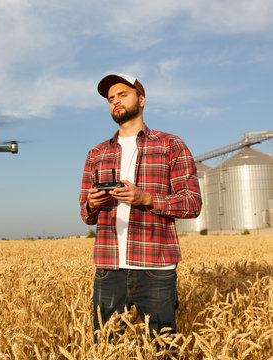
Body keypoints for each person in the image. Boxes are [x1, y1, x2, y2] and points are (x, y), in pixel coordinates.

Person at [79, 74, 202, 338]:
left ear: (142, 99)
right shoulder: (96, 153)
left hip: (155, 268)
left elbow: (193, 203)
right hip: (109, 268)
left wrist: (146, 198)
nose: (116, 102)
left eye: (123, 95)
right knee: (106, 348)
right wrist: (91, 203)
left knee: (163, 348)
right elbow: (85, 215)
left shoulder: (171, 145)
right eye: (111, 99)